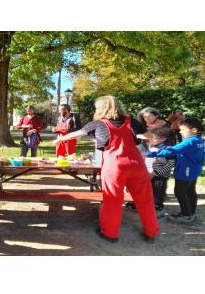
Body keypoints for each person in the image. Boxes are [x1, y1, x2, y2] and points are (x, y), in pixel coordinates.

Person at [53, 96, 159, 242]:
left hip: (114, 166)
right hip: (137, 164)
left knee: (112, 200)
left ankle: (110, 234)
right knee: (145, 199)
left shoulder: (98, 124)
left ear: (101, 108)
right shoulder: (131, 121)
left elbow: (78, 133)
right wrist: (145, 136)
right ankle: (151, 233)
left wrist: (60, 139)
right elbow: (148, 135)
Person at [148, 118, 204, 225]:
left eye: (183, 129)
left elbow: (171, 151)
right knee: (190, 191)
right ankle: (190, 212)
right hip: (193, 170)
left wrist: (152, 154)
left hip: (185, 172)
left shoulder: (189, 141)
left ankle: (186, 215)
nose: (180, 131)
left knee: (180, 192)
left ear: (194, 130)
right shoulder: (199, 140)